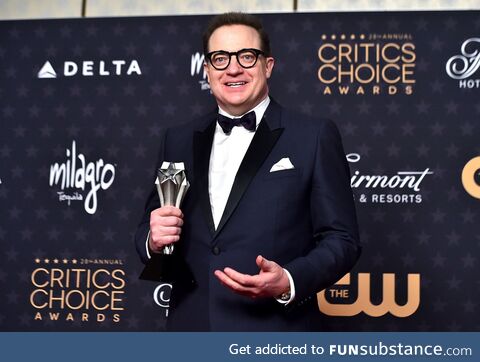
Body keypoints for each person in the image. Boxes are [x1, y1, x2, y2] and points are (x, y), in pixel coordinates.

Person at [135, 12, 361, 331]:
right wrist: (152, 241)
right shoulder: (177, 139)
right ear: (207, 70)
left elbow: (342, 239)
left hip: (274, 333)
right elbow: (148, 225)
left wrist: (290, 280)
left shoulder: (313, 136)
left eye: (247, 56)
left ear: (267, 66)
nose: (233, 68)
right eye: (220, 58)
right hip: (190, 330)